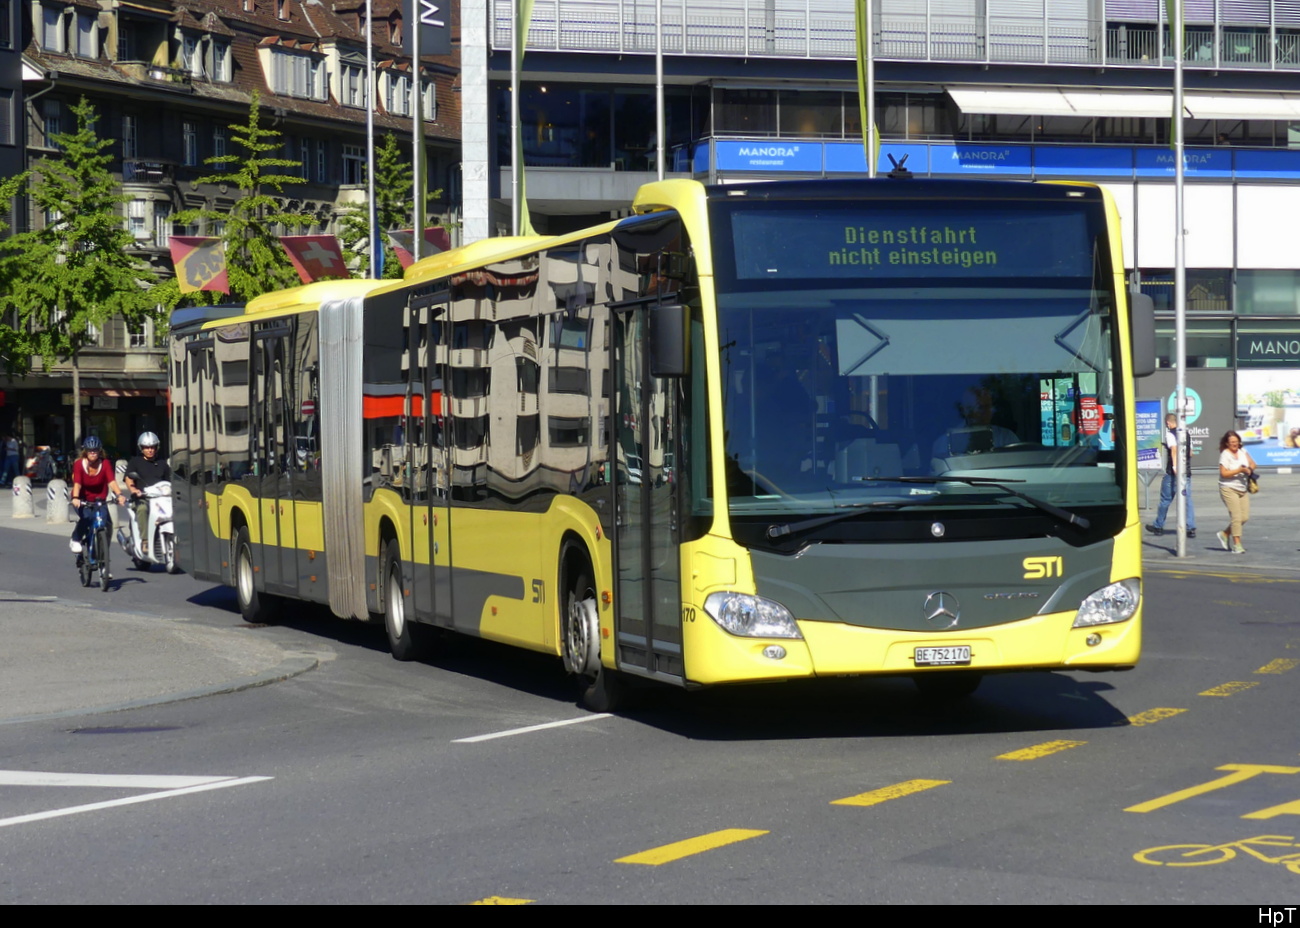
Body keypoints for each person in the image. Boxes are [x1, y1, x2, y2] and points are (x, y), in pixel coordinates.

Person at [69, 436, 126, 565]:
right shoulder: (79, 464)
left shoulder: (105, 463)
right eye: (90, 451)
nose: (93, 453)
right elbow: (77, 483)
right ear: (86, 452)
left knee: (106, 525)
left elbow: (111, 481)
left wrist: (119, 495)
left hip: (99, 500)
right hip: (82, 499)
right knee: (87, 518)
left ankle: (102, 559)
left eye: (95, 451)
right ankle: (75, 539)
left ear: (100, 451)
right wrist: (76, 498)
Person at [1146, 413, 1196, 538]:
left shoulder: (1170, 434)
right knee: (1186, 499)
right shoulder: (1187, 434)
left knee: (1165, 500)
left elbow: (1173, 449)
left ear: (1168, 423)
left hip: (1173, 473)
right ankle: (1190, 527)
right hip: (1186, 471)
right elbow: (1191, 453)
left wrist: (1174, 466)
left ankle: (1158, 526)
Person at [124, 431, 171, 540]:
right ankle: (145, 541)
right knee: (142, 509)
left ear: (156, 447)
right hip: (142, 498)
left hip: (161, 499)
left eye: (152, 447)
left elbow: (170, 481)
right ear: (141, 448)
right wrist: (134, 490)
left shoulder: (162, 463)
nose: (150, 450)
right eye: (146, 447)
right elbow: (128, 478)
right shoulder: (135, 462)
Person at [1217, 430, 1255, 555]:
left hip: (1242, 489)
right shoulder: (1225, 454)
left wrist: (1249, 469)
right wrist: (1239, 470)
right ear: (1227, 444)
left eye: (1236, 442)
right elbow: (1223, 473)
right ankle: (1237, 545)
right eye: (1232, 442)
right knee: (1236, 517)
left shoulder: (1243, 451)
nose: (1235, 444)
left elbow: (1253, 464)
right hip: (1228, 488)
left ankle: (1225, 533)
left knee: (1244, 517)